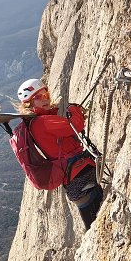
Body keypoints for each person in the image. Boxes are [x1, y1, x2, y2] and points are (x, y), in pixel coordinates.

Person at [13, 78, 103, 230]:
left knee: (95, 222)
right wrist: (74, 109)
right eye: (38, 98)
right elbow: (76, 125)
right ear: (29, 104)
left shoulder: (37, 123)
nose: (45, 99)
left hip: (76, 177)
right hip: (79, 175)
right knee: (98, 224)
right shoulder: (42, 122)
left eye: (46, 95)